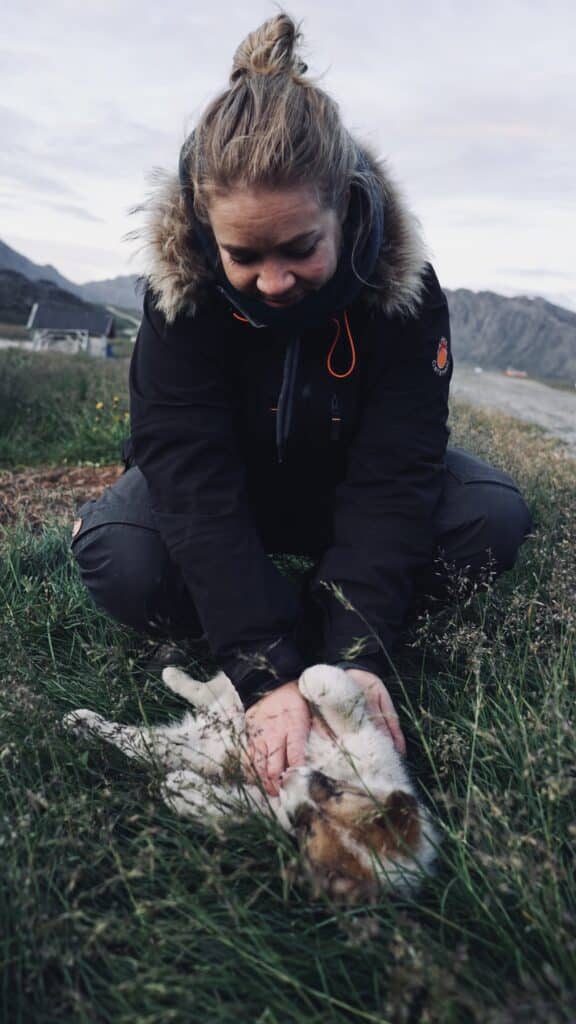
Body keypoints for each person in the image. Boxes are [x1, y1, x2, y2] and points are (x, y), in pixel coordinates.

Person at [71, 14, 531, 798]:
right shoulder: (177, 295)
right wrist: (263, 671)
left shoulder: (404, 297)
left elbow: (397, 473)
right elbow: (188, 473)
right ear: (204, 229)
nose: (273, 281)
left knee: (492, 516)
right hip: (231, 498)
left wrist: (351, 665)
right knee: (121, 555)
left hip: (342, 491)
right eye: (244, 255)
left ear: (346, 212)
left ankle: (329, 610)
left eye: (299, 248)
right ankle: (278, 613)